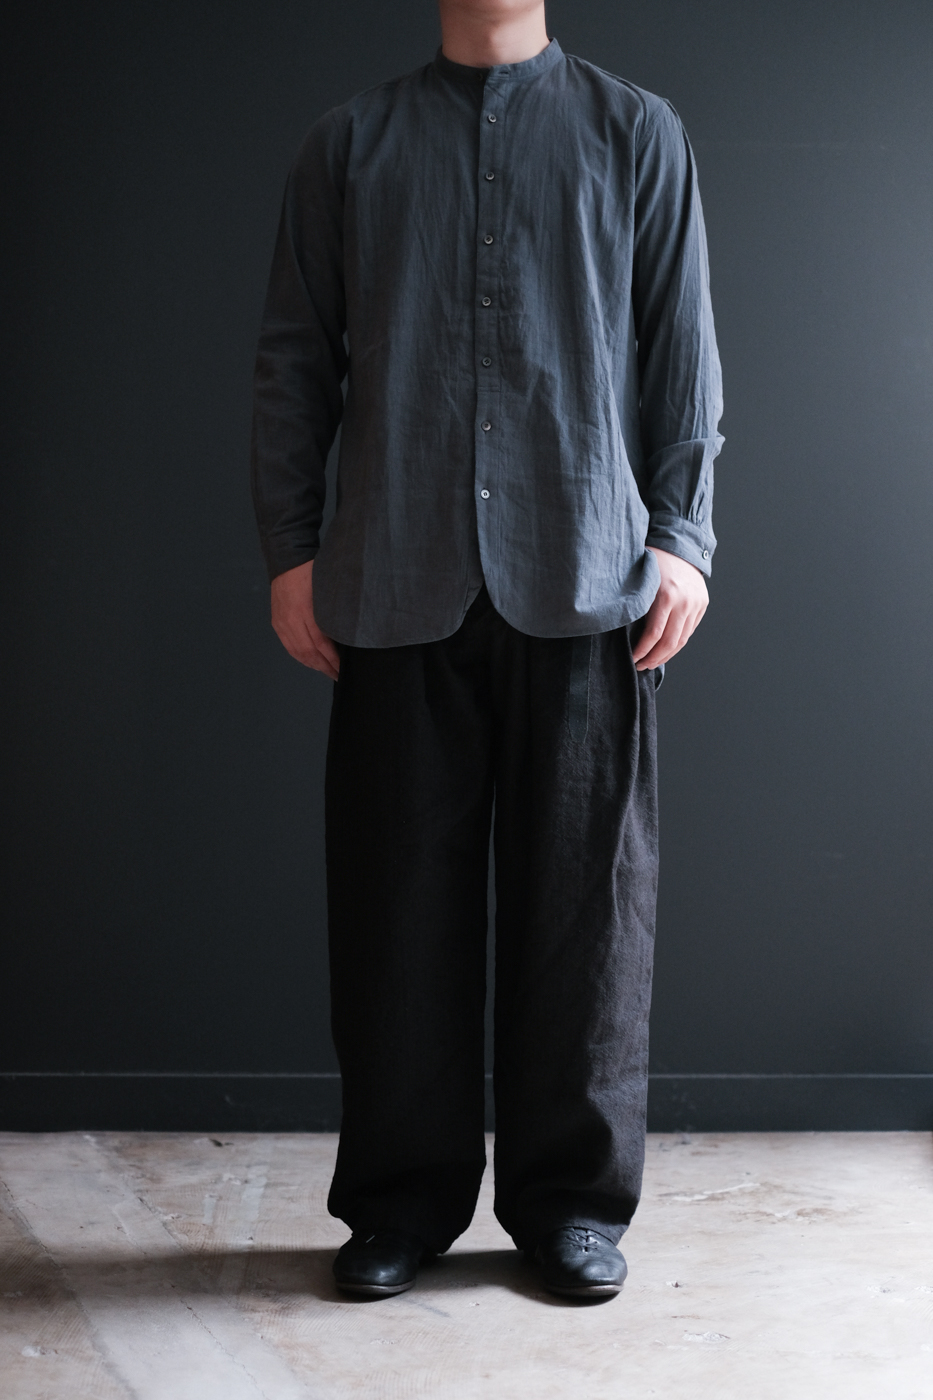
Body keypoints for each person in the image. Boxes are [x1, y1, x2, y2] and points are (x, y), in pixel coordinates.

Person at [251, 0, 722, 1302]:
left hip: (588, 577)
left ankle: (570, 1204)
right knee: (396, 913)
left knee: (587, 916)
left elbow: (680, 345)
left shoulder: (637, 134)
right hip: (391, 574)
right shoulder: (348, 144)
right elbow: (294, 358)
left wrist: (683, 537)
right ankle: (399, 1203)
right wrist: (290, 548)